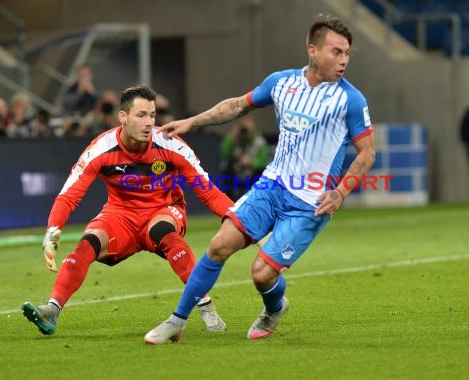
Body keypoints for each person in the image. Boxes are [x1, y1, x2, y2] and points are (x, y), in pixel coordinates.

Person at [144, 15, 376, 344]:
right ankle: (176, 320)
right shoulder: (281, 83)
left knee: (261, 273)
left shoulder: (350, 99)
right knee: (219, 244)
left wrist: (339, 192)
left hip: (310, 202)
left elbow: (367, 153)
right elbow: (238, 105)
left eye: (347, 54)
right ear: (313, 50)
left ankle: (275, 307)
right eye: (336, 52)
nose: (344, 61)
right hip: (271, 186)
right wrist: (193, 121)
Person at [22, 85, 232, 336]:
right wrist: (53, 228)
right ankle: (52, 310)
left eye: (152, 115)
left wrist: (242, 221)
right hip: (120, 214)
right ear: (123, 117)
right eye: (141, 115)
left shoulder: (171, 144)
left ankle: (206, 307)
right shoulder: (101, 148)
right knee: (86, 244)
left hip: (164, 209)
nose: (149, 123)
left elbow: (207, 190)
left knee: (165, 233)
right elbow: (70, 193)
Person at [220, 115, 269, 200]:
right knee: (227, 171)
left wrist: (250, 162)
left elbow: (263, 160)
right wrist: (233, 135)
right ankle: (228, 204)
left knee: (260, 175)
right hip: (235, 172)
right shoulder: (234, 139)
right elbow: (225, 152)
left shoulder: (259, 142)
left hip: (252, 173)